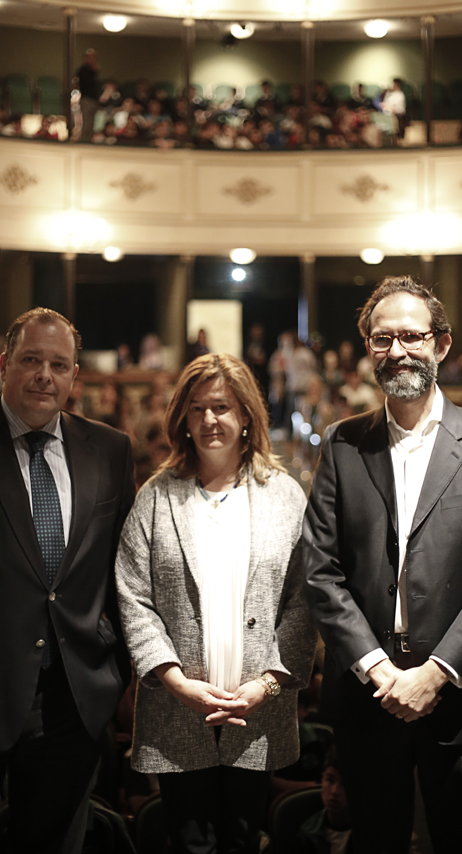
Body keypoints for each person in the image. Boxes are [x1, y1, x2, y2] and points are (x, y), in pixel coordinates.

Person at [303, 276, 462, 854]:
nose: (397, 350)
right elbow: (320, 570)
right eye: (383, 339)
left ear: (441, 344)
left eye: (411, 336)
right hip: (369, 697)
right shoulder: (342, 443)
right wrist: (379, 670)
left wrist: (436, 674)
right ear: (368, 349)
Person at [0, 307, 135, 854]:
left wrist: (118, 674)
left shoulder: (110, 450)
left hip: (73, 702)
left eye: (59, 365)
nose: (45, 375)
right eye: (31, 360)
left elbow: (125, 575)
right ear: (4, 365)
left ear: (74, 375)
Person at [115, 353, 316, 854]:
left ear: (246, 414)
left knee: (245, 840)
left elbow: (304, 598)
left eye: (222, 407)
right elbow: (133, 595)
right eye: (198, 408)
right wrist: (174, 680)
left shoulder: (285, 496)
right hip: (177, 709)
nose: (209, 419)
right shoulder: (156, 497)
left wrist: (268, 684)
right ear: (182, 417)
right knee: (190, 843)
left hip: (258, 710)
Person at [296, 747, 352, 854]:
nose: (334, 791)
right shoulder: (306, 834)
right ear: (322, 778)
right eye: (330, 780)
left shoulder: (372, 834)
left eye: (345, 785)